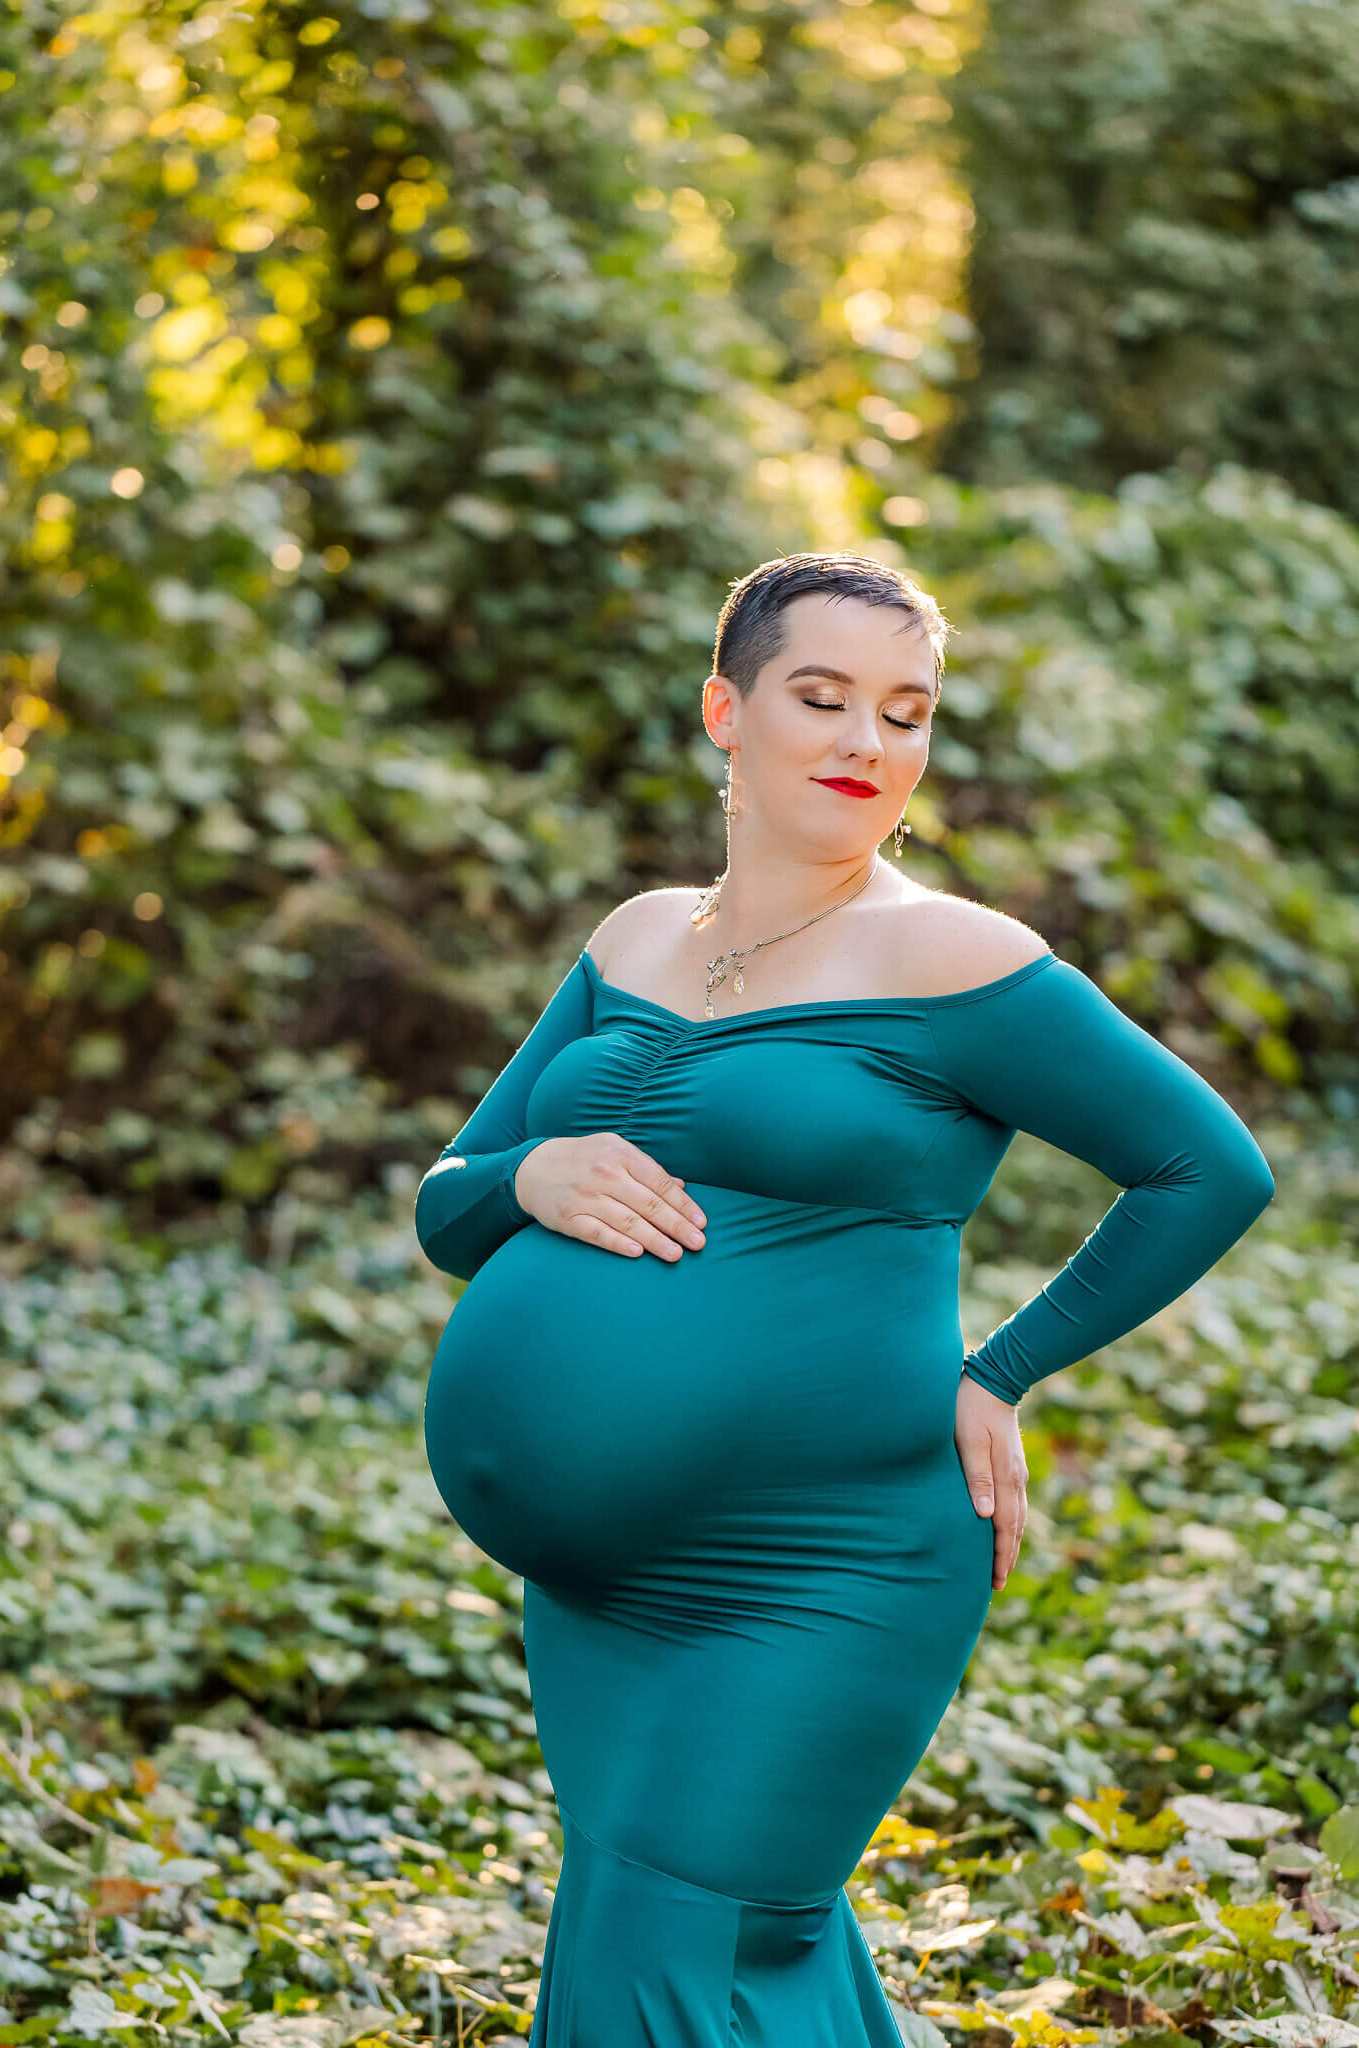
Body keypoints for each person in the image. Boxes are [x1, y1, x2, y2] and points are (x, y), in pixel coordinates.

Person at [415, 552, 1275, 2045]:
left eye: (905, 712)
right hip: (602, 1591)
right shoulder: (634, 937)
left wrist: (999, 1369)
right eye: (821, 699)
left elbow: (1206, 1169)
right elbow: (449, 1195)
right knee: (728, 1944)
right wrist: (530, 1177)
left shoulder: (953, 957)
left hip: (821, 1559)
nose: (866, 745)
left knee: (660, 1942)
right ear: (723, 711)